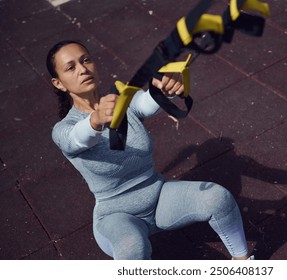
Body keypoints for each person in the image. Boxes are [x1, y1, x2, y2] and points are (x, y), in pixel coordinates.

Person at [47, 40, 253, 260]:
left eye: (85, 60)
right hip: (116, 216)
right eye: (71, 67)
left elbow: (148, 101)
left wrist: (166, 88)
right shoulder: (63, 130)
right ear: (58, 83)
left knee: (218, 198)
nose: (82, 69)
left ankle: (242, 264)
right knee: (132, 248)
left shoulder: (123, 102)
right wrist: (96, 119)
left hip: (159, 197)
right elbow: (78, 137)